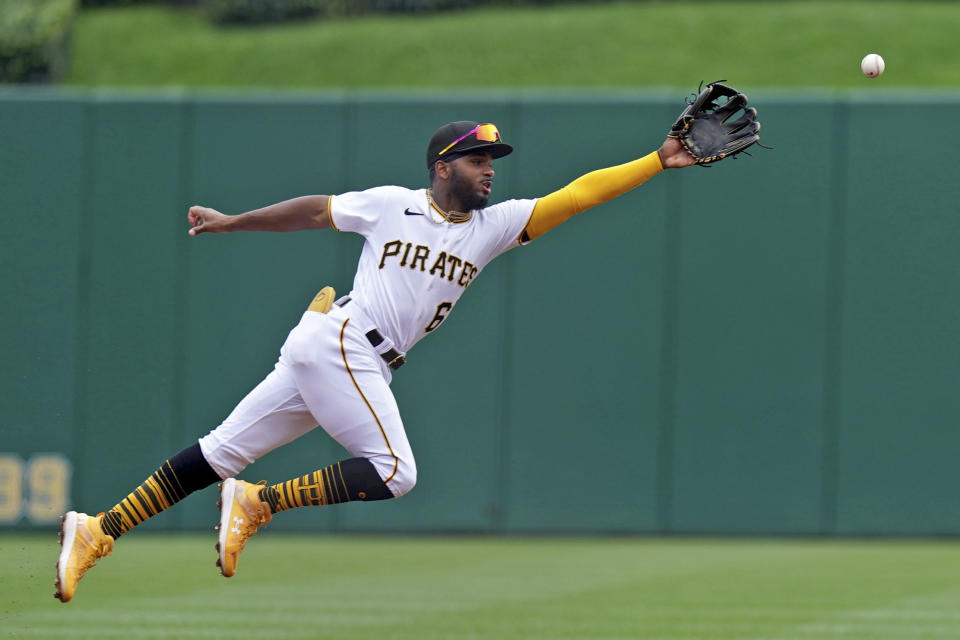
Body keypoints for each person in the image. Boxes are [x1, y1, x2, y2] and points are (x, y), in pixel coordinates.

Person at [54, 119, 696, 603]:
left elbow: (579, 195)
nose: (490, 169)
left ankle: (97, 529)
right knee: (397, 472)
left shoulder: (491, 228)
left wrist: (657, 161)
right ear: (443, 166)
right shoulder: (395, 204)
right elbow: (313, 211)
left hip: (346, 358)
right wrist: (230, 223)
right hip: (343, 343)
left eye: (492, 160)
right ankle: (258, 503)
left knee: (219, 451)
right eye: (478, 158)